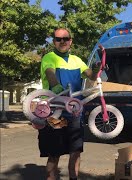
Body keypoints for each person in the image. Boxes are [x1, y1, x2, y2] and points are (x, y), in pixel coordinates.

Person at [39, 28, 97, 180]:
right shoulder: (49, 57)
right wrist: (56, 85)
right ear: (54, 42)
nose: (62, 41)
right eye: (58, 39)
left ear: (71, 41)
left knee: (76, 151)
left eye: (66, 38)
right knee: (54, 153)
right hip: (55, 111)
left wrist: (97, 68)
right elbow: (50, 73)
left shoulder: (77, 60)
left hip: (75, 112)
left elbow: (91, 74)